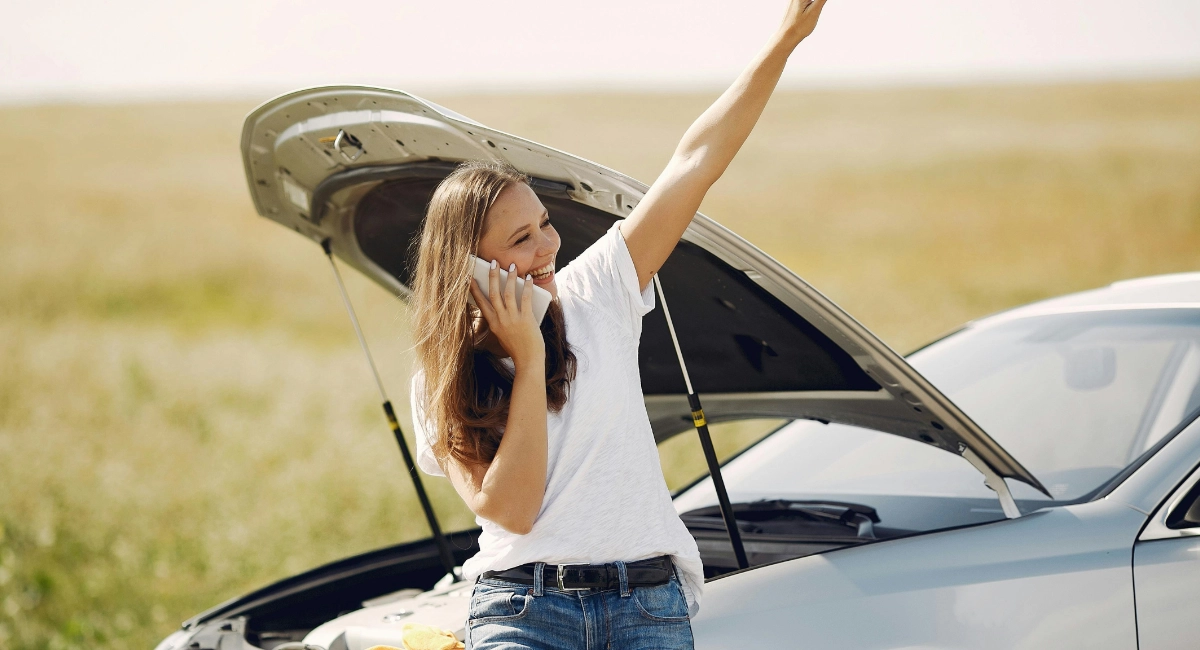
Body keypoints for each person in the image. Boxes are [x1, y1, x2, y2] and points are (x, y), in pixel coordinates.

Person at [408, 2, 829, 647]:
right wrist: (524, 356)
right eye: (522, 238)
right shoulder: (441, 375)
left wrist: (786, 37)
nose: (549, 246)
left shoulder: (598, 291)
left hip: (648, 606)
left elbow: (696, 161)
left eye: (545, 223)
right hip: (523, 609)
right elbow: (511, 511)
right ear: (469, 267)